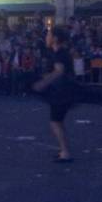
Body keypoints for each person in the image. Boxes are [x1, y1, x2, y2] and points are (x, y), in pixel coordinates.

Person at [33, 26, 76, 163]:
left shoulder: (60, 53)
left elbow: (59, 71)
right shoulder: (58, 52)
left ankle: (65, 152)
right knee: (57, 121)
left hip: (61, 92)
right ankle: (64, 150)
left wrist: (43, 83)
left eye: (49, 35)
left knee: (55, 122)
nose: (47, 37)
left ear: (55, 38)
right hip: (62, 91)